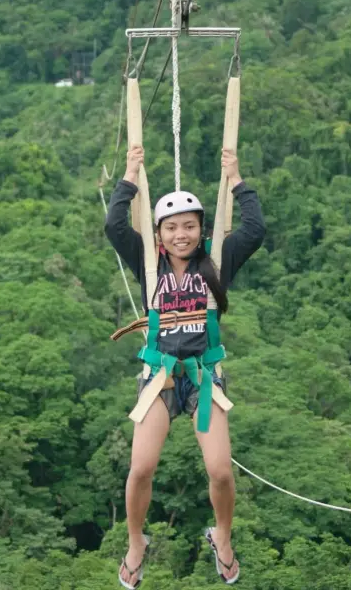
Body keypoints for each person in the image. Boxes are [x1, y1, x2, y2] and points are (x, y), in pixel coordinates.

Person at [104, 145, 266, 587]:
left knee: (219, 469)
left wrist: (237, 180)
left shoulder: (217, 261)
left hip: (202, 376)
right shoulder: (148, 264)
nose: (181, 235)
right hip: (159, 377)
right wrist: (130, 175)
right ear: (159, 233)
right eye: (172, 228)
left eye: (189, 227)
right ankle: (136, 542)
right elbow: (114, 225)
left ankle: (224, 538)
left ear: (201, 229)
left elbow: (254, 230)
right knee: (141, 468)